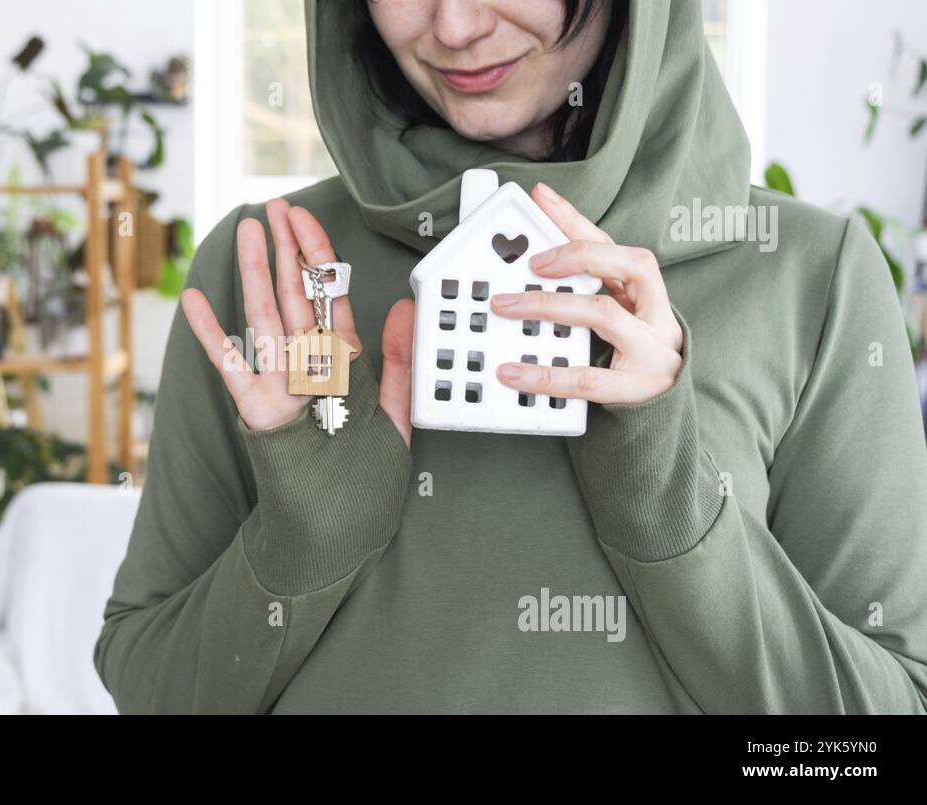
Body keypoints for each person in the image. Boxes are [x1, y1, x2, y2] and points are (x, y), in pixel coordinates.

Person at [96, 0, 927, 713]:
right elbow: (150, 685)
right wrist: (307, 540)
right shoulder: (276, 272)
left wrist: (664, 498)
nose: (454, 26)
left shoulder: (809, 277)